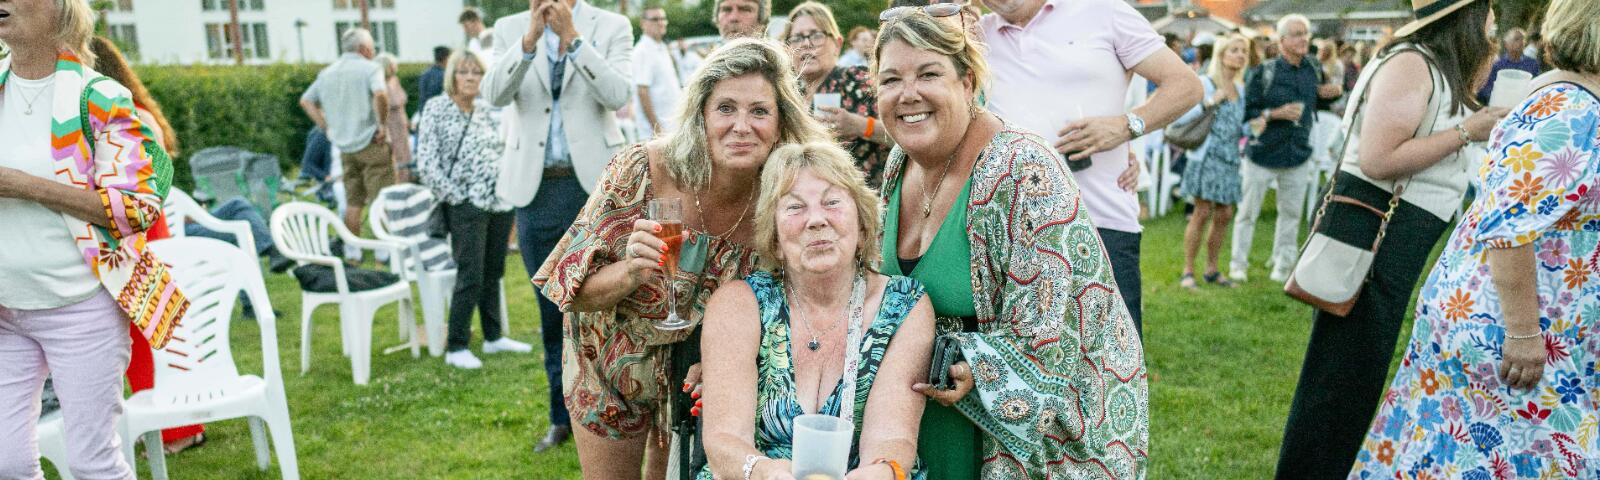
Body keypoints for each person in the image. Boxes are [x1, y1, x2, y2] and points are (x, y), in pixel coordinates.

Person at [533, 38, 829, 479]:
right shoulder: (642, 170)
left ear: (782, 121)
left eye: (759, 111)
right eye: (725, 108)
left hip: (696, 375)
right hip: (608, 359)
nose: (742, 126)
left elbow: (794, 301)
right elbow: (570, 291)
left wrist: (732, 358)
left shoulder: (786, 198)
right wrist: (631, 271)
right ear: (701, 115)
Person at [872, 10, 1148, 479]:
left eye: (929, 74)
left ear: (967, 82)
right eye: (891, 79)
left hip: (1023, 442)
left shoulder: (1024, 169)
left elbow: (1052, 333)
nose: (908, 94)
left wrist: (973, 364)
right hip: (917, 421)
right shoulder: (901, 162)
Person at [1350, 0, 1600, 476]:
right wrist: (1524, 333)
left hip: (1550, 326)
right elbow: (1508, 226)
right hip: (1511, 329)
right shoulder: (1567, 112)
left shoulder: (1580, 101)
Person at [1272, 0, 1510, 476]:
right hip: (1375, 233)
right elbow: (1379, 159)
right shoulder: (1411, 63)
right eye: (1488, 18)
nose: (1494, 29)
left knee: (1353, 381)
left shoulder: (1437, 68)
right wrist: (1468, 131)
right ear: (1464, 19)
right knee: (1338, 385)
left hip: (1393, 238)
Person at [0, 0, 189, 477]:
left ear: (59, 8)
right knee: (7, 462)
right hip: (5, 310)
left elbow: (137, 208)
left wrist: (24, 186)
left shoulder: (99, 97)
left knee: (93, 463)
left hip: (81, 307)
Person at [700, 142, 934, 479]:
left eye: (832, 202)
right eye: (795, 207)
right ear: (775, 240)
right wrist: (765, 472)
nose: (816, 220)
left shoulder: (902, 306)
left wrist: (878, 474)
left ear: (863, 227)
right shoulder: (740, 304)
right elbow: (725, 441)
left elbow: (892, 439)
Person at [979, 0, 1204, 333]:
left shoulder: (1104, 11)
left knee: (1113, 356)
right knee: (1022, 358)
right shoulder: (976, 35)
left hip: (1100, 223)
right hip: (1013, 236)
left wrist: (1126, 127)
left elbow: (1186, 85)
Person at [484, 0, 635, 454]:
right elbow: (494, 95)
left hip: (596, 190)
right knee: (552, 312)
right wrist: (528, 42)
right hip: (536, 191)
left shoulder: (611, 25)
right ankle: (561, 416)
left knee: (608, 307)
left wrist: (573, 39)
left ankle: (615, 410)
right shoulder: (510, 28)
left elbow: (618, 94)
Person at [415, 50, 532, 370]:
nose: (470, 78)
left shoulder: (487, 109)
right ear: (451, 75)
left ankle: (493, 337)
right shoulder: (437, 108)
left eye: (477, 72)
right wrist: (456, 197)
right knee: (470, 273)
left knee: (493, 271)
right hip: (465, 205)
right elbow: (426, 163)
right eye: (463, 72)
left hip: (499, 201)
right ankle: (457, 345)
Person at [1228, 14, 1342, 283]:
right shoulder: (1264, 72)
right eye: (1297, 34)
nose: (1304, 39)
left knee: (1291, 214)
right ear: (1282, 41)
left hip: (1298, 152)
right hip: (1263, 153)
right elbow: (1247, 115)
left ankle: (1283, 263)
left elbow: (1317, 101)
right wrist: (1275, 113)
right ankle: (1238, 264)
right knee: (1247, 214)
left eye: (1306, 34)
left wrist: (1330, 94)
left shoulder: (1313, 67)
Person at [1176, 35, 1258, 290]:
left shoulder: (1240, 89)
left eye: (1243, 51)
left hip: (1230, 158)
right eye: (1234, 50)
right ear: (1221, 55)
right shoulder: (1206, 83)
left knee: (1224, 214)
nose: (1240, 55)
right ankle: (1188, 271)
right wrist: (1210, 101)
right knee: (1201, 212)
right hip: (1207, 157)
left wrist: (1253, 127)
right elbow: (1182, 116)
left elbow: (1236, 126)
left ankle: (1212, 269)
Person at [784, 2, 893, 187]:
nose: (806, 44)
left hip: (864, 195)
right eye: (797, 38)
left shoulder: (857, 79)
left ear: (837, 44)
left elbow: (905, 135)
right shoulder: (790, 95)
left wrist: (860, 125)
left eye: (816, 35)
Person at [299, 28, 392, 239]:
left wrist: (326, 128)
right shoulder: (371, 69)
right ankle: (385, 252)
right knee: (381, 200)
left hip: (345, 147)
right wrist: (382, 125)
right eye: (372, 47)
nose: (373, 51)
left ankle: (353, 251)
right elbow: (380, 94)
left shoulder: (326, 73)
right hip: (372, 141)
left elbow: (306, 101)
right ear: (364, 49)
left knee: (353, 202)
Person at [632, 5, 681, 139]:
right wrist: (657, 129)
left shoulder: (661, 47)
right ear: (643, 24)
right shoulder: (643, 51)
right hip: (656, 134)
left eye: (663, 19)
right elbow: (642, 92)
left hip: (672, 127)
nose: (661, 22)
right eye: (655, 19)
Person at [1475, 27, 1543, 105]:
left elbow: (1537, 87)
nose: (1521, 42)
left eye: (1523, 39)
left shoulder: (1532, 64)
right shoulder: (1498, 65)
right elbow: (1486, 90)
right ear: (1506, 44)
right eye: (1517, 39)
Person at [375, 53, 413, 182]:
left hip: (400, 122)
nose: (395, 67)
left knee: (405, 151)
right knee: (395, 153)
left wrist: (407, 121)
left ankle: (406, 178)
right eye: (392, 65)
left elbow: (401, 103)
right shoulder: (379, 84)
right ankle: (396, 181)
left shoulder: (395, 80)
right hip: (390, 122)